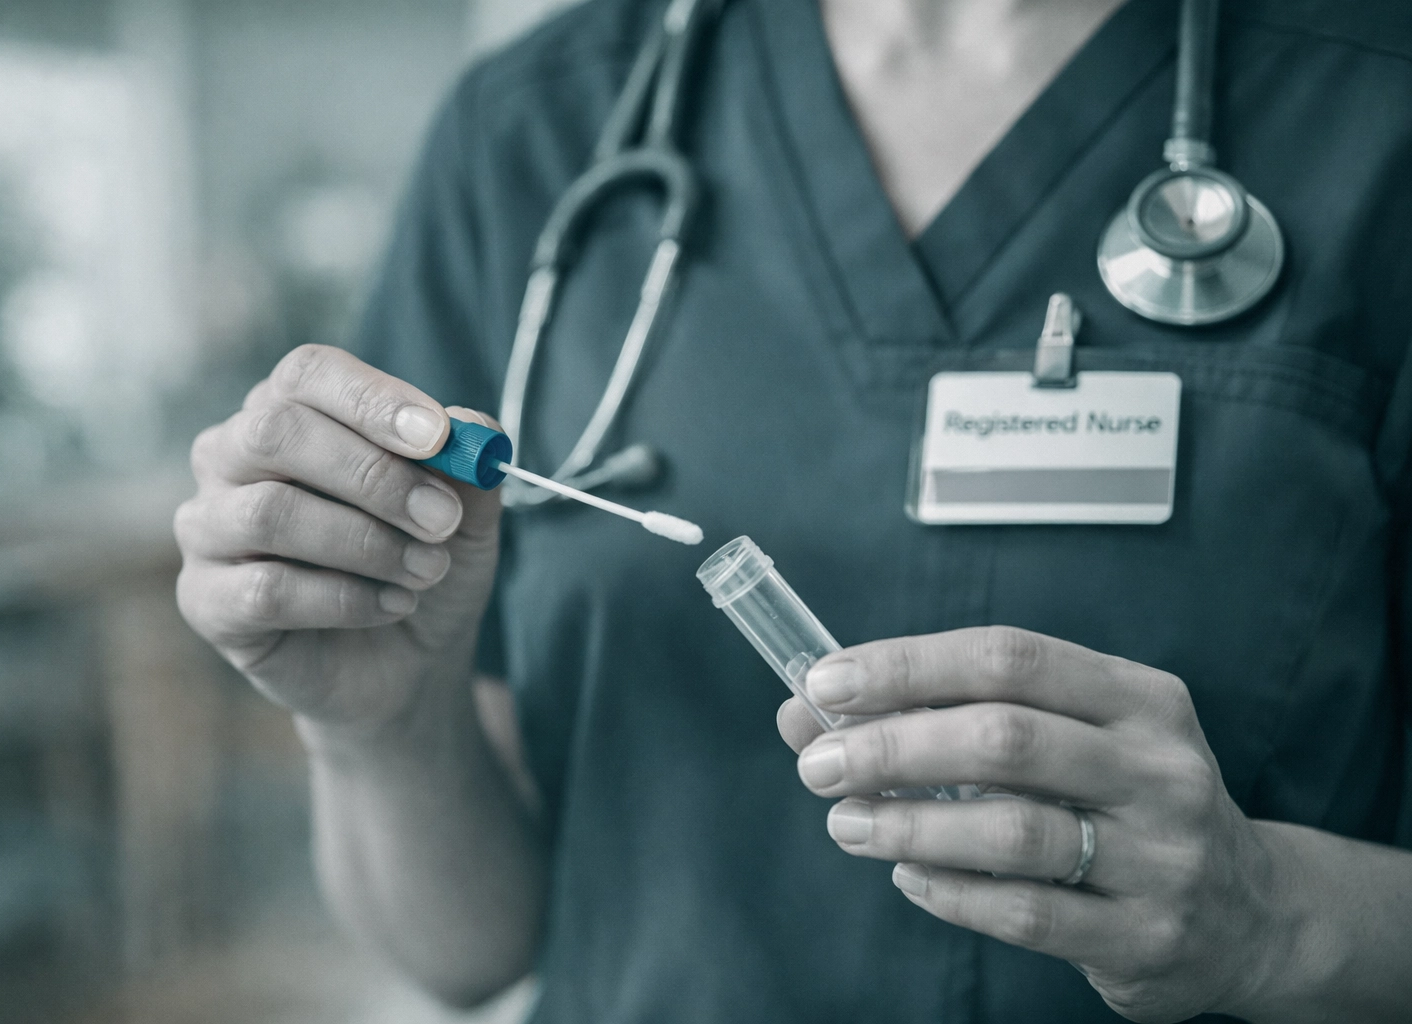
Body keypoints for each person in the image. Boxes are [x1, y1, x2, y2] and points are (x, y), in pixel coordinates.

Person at [173, 0, 1412, 1020]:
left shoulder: (1370, 105)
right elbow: (464, 953)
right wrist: (381, 727)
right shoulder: (534, 132)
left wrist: (1266, 915)